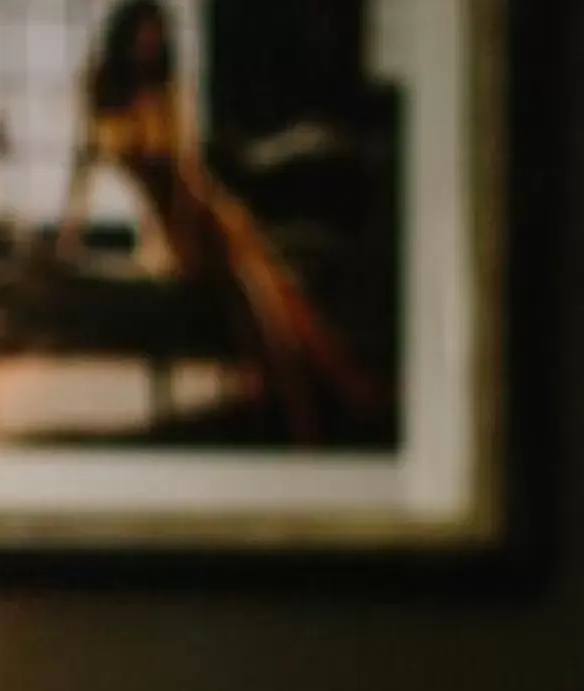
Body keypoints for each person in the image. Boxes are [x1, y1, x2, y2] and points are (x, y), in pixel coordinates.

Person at [54, 0, 384, 443]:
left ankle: (323, 406)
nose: (149, 44)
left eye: (156, 35)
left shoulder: (167, 89)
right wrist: (68, 235)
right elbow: (85, 165)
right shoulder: (102, 91)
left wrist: (192, 239)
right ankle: (324, 411)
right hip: (166, 228)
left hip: (206, 216)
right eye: (142, 33)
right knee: (264, 298)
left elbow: (189, 174)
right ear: (124, 33)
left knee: (273, 300)